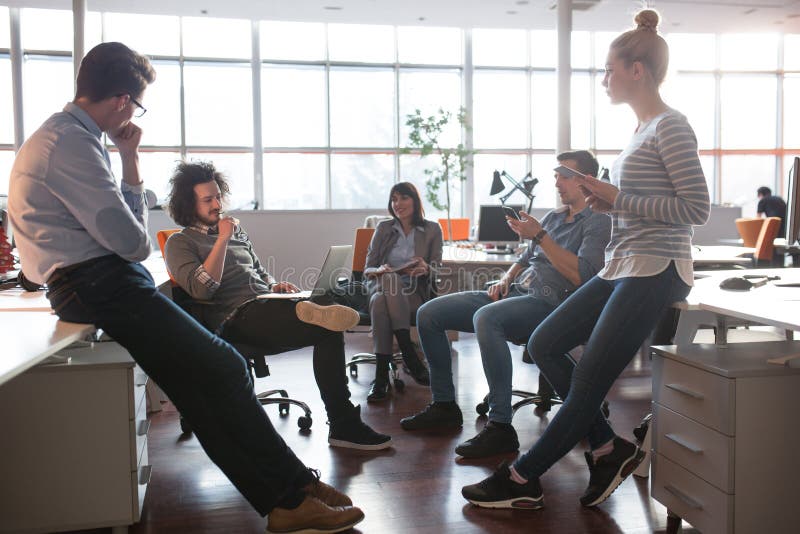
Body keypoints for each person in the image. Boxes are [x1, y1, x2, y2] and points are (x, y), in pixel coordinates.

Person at [8, 42, 364, 533]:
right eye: (136, 103)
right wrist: (131, 185)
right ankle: (291, 490)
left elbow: (126, 233)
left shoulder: (70, 138)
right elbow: (132, 242)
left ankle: (290, 495)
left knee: (204, 389)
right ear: (120, 100)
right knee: (226, 366)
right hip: (98, 282)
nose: (133, 113)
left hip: (100, 279)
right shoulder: (70, 144)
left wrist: (129, 159)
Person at [461, 9, 710, 510]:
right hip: (622, 265)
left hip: (655, 270)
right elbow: (638, 203)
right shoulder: (641, 130)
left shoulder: (671, 126)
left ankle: (522, 477)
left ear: (637, 70)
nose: (604, 80)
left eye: (609, 69)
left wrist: (618, 199)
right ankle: (607, 446)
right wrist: (606, 200)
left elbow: (696, 209)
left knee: (589, 380)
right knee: (545, 341)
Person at [164, 160, 392, 451]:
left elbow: (259, 271)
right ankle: (344, 421)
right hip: (235, 318)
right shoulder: (180, 243)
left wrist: (274, 286)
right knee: (324, 318)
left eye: (218, 196)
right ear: (188, 203)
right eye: (207, 200)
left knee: (329, 322)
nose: (217, 204)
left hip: (267, 303)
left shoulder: (236, 231)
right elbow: (202, 289)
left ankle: (343, 423)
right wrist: (222, 239)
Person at [400, 151, 611, 460]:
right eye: (556, 175)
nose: (557, 182)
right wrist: (504, 277)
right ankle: (444, 405)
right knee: (429, 313)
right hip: (514, 292)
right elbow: (525, 259)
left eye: (564, 175)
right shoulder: (553, 217)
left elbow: (583, 276)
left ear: (586, 181)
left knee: (486, 318)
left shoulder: (598, 222)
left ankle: (500, 426)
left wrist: (539, 236)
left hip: (552, 303)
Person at [362, 182, 443, 402]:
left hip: (413, 291)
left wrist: (426, 267)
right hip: (381, 283)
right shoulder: (383, 229)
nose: (398, 204)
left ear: (415, 201)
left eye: (403, 198)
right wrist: (379, 269)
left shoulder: (432, 229)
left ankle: (380, 378)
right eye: (394, 199)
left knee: (380, 304)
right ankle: (408, 351)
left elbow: (439, 267)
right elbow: (367, 269)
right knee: (389, 279)